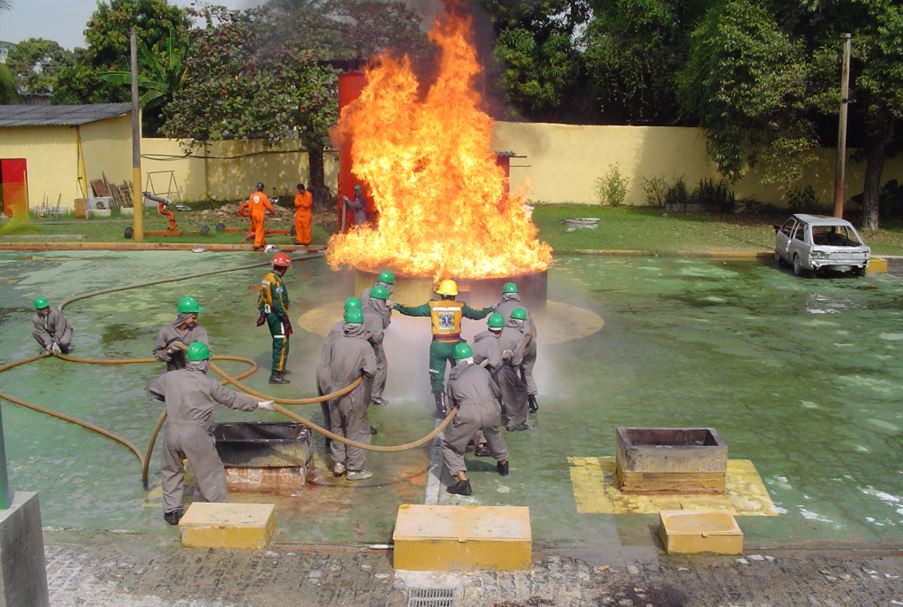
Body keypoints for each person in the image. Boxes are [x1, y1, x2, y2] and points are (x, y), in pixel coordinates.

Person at [147, 341, 274, 525]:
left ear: (188, 361)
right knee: (210, 473)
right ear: (206, 362)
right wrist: (260, 404)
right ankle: (216, 511)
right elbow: (232, 400)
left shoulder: (171, 378)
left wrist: (171, 399)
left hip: (172, 431)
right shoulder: (209, 384)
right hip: (196, 433)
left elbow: (153, 388)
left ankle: (171, 512)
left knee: (171, 470)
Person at [395, 279, 494, 417]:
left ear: (440, 294)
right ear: (454, 294)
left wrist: (397, 306)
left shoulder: (432, 306)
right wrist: (490, 309)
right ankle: (461, 403)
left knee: (437, 377)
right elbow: (476, 315)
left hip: (438, 346)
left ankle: (441, 409)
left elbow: (412, 311)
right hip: (455, 346)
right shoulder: (460, 306)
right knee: (462, 373)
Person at [442, 342, 509, 496]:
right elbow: (496, 391)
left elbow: (451, 405)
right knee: (493, 435)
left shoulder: (453, 378)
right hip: (491, 409)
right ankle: (503, 463)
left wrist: (456, 426)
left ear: (456, 360)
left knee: (449, 446)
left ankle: (463, 481)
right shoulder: (482, 371)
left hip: (468, 413)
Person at [324, 308, 377, 480]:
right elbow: (371, 371)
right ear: (361, 326)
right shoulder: (364, 346)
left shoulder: (337, 342)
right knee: (356, 431)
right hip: (352, 394)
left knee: (337, 427)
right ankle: (355, 469)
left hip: (333, 392)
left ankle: (338, 463)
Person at [317, 297, 362, 444]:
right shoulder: (344, 332)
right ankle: (339, 447)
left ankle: (329, 441)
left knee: (329, 411)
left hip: (322, 372)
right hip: (332, 375)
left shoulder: (337, 327)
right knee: (340, 412)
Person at [495, 282, 539, 412]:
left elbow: (497, 330)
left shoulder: (499, 309)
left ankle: (510, 404)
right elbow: (533, 330)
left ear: (504, 295)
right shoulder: (524, 309)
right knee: (527, 373)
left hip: (516, 344)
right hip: (531, 345)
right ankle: (532, 401)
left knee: (510, 374)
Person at [470, 312, 506, 456]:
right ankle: (482, 444)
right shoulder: (492, 342)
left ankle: (471, 438)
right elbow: (496, 364)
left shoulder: (480, 339)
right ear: (501, 330)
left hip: (469, 377)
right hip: (479, 379)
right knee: (487, 411)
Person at [257, 252, 292, 384]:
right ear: (284, 268)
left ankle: (280, 367)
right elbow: (279, 304)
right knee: (281, 343)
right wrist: (285, 319)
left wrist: (262, 313)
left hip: (270, 315)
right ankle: (276, 374)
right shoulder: (276, 282)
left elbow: (260, 298)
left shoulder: (267, 278)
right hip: (277, 317)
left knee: (278, 340)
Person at [153, 296, 209, 371]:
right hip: (173, 373)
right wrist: (169, 351)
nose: (196, 321)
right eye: (193, 318)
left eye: (196, 318)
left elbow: (206, 353)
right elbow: (157, 355)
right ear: (184, 317)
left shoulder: (199, 331)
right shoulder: (165, 331)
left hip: (193, 373)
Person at [499, 308, 530, 431]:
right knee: (519, 392)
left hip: (489, 368)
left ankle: (494, 419)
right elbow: (516, 360)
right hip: (503, 368)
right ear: (522, 323)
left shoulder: (501, 330)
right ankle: (515, 422)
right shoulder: (519, 336)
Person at [362, 284, 393, 406]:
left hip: (356, 343)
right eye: (383, 301)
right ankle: (375, 395)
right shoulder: (376, 316)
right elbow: (378, 337)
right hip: (368, 346)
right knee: (381, 365)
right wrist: (387, 310)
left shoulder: (364, 307)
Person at [247, 182, 276, 250]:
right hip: (259, 214)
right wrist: (273, 212)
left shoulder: (252, 196)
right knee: (259, 229)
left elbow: (250, 207)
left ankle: (262, 243)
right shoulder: (263, 196)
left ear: (257, 188)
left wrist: (250, 216)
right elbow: (268, 206)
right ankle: (257, 244)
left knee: (259, 229)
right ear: (262, 189)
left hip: (253, 214)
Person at [293, 182, 313, 247]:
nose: (298, 191)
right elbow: (296, 204)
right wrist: (302, 203)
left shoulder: (309, 195)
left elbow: (307, 205)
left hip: (306, 215)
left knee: (306, 228)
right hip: (299, 214)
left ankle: (307, 241)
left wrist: (300, 203)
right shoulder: (298, 195)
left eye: (299, 190)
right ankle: (300, 241)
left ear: (302, 189)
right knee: (299, 228)